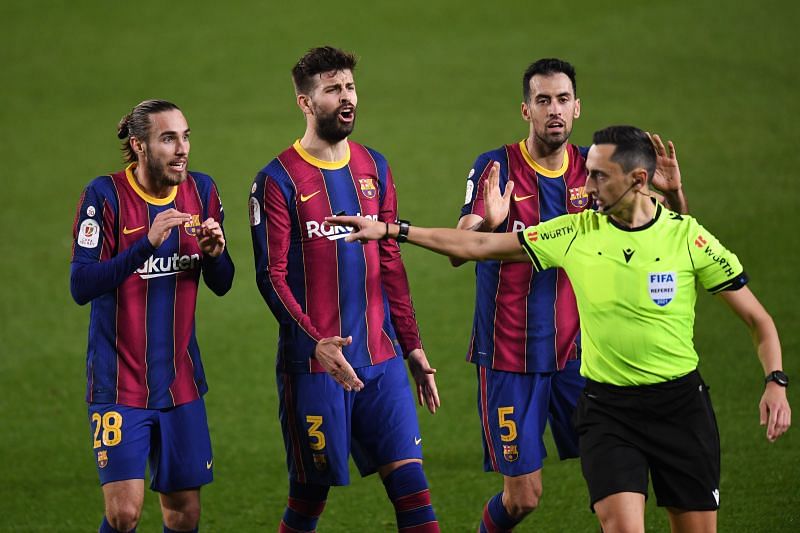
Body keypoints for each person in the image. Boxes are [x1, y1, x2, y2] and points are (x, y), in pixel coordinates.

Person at [329, 125, 791, 533]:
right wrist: (392, 230)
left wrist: (775, 381)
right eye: (587, 173)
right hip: (609, 411)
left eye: (597, 176)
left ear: (637, 180)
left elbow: (759, 320)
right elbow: (476, 245)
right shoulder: (575, 232)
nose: (585, 185)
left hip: (681, 409)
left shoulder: (687, 237)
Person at [453, 58, 687, 531]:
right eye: (543, 101)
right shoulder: (496, 166)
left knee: (616, 477)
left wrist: (675, 196)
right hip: (508, 356)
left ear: (577, 108)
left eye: (562, 100)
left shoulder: (595, 168)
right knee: (523, 498)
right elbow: (462, 245)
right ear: (526, 110)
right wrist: (490, 222)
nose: (553, 110)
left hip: (579, 356)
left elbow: (668, 233)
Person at [249, 46, 440, 533]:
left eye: (350, 87)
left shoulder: (374, 166)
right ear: (305, 103)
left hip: (382, 363)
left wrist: (412, 347)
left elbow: (391, 264)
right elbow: (270, 276)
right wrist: (315, 341)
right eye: (333, 90)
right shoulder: (277, 180)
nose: (347, 98)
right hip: (314, 370)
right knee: (309, 502)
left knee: (414, 495)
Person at [70, 99, 234, 533]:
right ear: (140, 146)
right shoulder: (103, 196)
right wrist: (145, 244)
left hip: (180, 383)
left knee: (184, 514)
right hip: (118, 383)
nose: (182, 149)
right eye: (168, 139)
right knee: (123, 514)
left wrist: (216, 255)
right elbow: (81, 286)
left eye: (185, 136)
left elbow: (223, 282)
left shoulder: (203, 192)